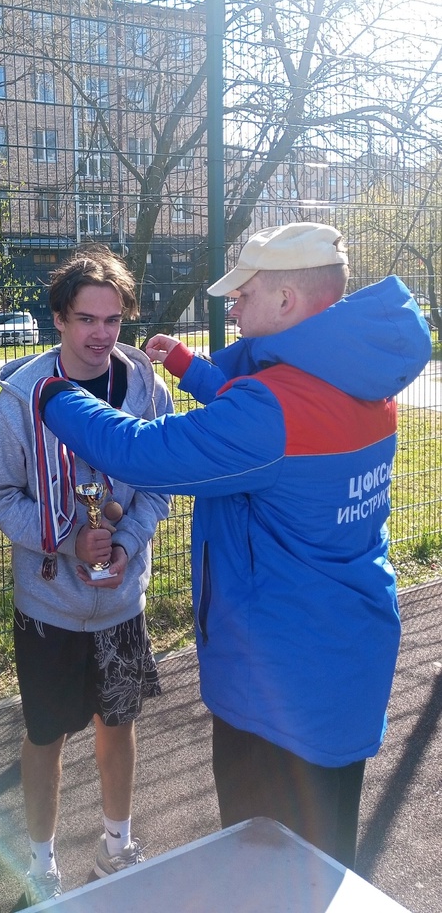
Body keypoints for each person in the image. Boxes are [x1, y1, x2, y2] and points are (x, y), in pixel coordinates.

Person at [38, 222, 432, 869]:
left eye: (244, 294)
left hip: (276, 680)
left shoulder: (273, 415)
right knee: (325, 857)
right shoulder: (361, 375)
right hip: (344, 656)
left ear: (287, 300)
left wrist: (52, 392)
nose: (233, 307)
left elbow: (138, 452)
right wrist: (190, 368)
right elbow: (262, 413)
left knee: (264, 869)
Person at [0, 246, 174, 905]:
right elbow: (3, 495)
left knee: (117, 725)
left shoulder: (146, 388)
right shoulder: (22, 395)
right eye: (86, 319)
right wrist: (67, 541)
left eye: (112, 320)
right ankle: (41, 863)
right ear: (59, 319)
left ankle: (116, 845)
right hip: (50, 604)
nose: (100, 334)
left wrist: (125, 542)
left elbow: (159, 481)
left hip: (121, 601)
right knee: (45, 735)